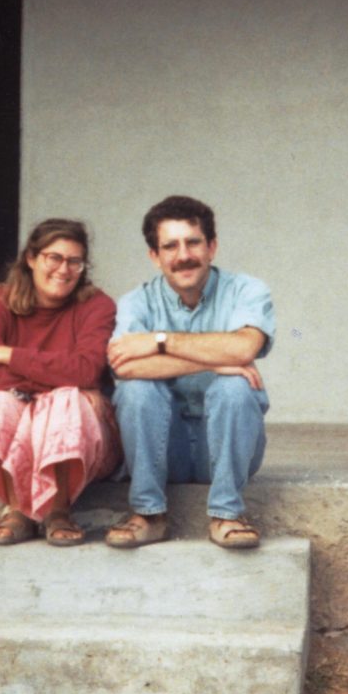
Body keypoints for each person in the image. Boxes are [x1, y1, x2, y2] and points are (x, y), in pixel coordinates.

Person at [106, 195, 275, 550]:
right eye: (170, 246)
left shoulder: (247, 290)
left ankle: (227, 514)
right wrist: (214, 359)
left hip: (228, 446)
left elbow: (244, 348)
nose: (183, 255)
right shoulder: (136, 302)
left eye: (193, 242)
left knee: (235, 387)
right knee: (135, 390)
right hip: (165, 447)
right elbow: (126, 366)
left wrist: (160, 341)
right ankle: (149, 515)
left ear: (212, 247)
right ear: (155, 256)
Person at [0, 218, 122, 546]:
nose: (64, 269)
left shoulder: (97, 305)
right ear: (31, 258)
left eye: (74, 261)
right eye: (54, 258)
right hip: (30, 415)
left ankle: (58, 510)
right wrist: (56, 382)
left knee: (64, 403)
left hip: (88, 438)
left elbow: (86, 370)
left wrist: (5, 354)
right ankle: (17, 510)